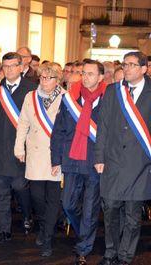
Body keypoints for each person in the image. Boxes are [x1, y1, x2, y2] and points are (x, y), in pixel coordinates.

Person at [95, 52, 151, 265]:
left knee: (132, 216)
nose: (126, 69)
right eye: (124, 64)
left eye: (132, 65)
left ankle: (125, 257)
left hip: (140, 164)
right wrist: (99, 156)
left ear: (144, 69)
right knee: (109, 209)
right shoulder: (113, 91)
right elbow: (104, 126)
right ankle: (111, 252)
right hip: (113, 162)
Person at [51, 59, 106, 265]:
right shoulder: (70, 99)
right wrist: (56, 159)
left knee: (91, 207)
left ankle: (83, 248)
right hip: (72, 159)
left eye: (90, 73)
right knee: (68, 205)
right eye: (83, 73)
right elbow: (58, 131)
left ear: (101, 77)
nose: (85, 77)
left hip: (94, 163)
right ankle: (86, 228)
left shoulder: (108, 99)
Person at [15, 62, 64, 257]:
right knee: (36, 196)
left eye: (49, 77)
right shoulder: (31, 97)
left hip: (55, 156)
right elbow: (23, 123)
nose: (44, 81)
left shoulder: (66, 97)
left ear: (57, 80)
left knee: (53, 199)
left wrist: (62, 157)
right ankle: (44, 226)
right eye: (42, 77)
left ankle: (47, 236)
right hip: (35, 154)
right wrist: (19, 147)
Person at [0, 52, 35, 243]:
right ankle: (4, 229)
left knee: (20, 186)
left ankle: (27, 215)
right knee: (1, 191)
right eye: (5, 67)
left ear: (21, 67)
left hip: (21, 149)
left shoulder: (32, 88)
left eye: (13, 66)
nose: (9, 70)